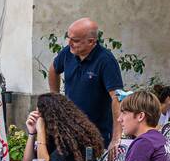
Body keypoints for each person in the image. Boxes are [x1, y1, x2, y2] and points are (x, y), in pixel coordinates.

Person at [49, 17, 123, 149]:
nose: (69, 42)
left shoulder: (106, 61)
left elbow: (117, 97)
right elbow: (54, 69)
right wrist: (56, 98)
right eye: (68, 37)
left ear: (91, 42)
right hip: (70, 129)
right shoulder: (68, 52)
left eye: (75, 40)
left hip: (97, 133)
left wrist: (117, 137)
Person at [25, 92, 104, 161]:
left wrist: (40, 131)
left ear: (49, 117)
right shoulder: (54, 136)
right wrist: (32, 133)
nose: (37, 119)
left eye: (39, 115)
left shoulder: (70, 140)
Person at [111, 89, 170, 161]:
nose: (119, 119)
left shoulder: (144, 142)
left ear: (140, 116)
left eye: (124, 113)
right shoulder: (159, 138)